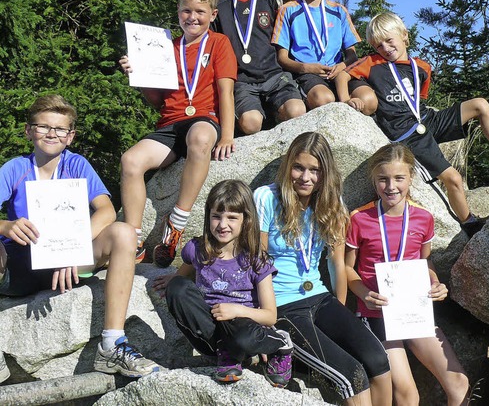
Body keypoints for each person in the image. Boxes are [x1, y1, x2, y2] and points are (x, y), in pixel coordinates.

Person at [0, 95, 160, 381]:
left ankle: (112, 344)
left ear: (70, 136)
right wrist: (6, 226)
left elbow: (106, 210)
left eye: (60, 129)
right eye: (43, 126)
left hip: (70, 263)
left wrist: (72, 250)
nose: (52, 134)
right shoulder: (15, 168)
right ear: (28, 131)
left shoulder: (77, 165)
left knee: (123, 232)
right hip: (21, 262)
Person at [335, 11, 489, 230]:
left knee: (480, 104)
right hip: (407, 133)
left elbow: (419, 99)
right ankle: (469, 224)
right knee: (453, 177)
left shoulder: (422, 68)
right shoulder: (372, 63)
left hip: (428, 119)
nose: (385, 48)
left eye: (389, 41)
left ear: (404, 35)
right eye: (379, 45)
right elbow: (343, 75)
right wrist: (346, 101)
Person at [254, 132, 392, 405]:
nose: (305, 177)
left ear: (324, 173)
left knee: (378, 360)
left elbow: (336, 264)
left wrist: (339, 314)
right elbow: (255, 263)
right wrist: (259, 323)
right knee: (352, 375)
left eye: (314, 170)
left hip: (320, 298)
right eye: (298, 167)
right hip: (282, 306)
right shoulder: (266, 198)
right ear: (288, 166)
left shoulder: (332, 204)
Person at [119, 0, 237, 268]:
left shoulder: (220, 44)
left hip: (203, 119)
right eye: (186, 11)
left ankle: (176, 223)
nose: (192, 17)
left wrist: (228, 135)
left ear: (213, 14)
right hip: (169, 126)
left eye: (200, 11)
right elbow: (158, 102)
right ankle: (133, 239)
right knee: (130, 161)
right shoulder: (162, 47)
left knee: (199, 139)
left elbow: (226, 91)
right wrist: (139, 77)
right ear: (178, 11)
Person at [346, 143, 469, 405]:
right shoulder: (359, 218)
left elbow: (426, 260)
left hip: (413, 311)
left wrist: (436, 282)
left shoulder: (423, 218)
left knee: (459, 383)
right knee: (407, 394)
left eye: (399, 178)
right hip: (376, 312)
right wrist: (364, 293)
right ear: (374, 180)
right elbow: (347, 268)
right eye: (383, 179)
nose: (391, 186)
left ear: (411, 177)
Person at [153, 179, 293, 386]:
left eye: (232, 217)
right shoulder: (197, 249)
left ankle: (280, 346)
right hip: (210, 330)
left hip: (242, 325)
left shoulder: (256, 261)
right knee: (177, 288)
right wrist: (173, 279)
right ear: (208, 216)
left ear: (246, 220)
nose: (222, 224)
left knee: (243, 337)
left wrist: (236, 310)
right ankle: (225, 353)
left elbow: (270, 315)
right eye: (216, 216)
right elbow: (185, 273)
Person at [214, 0, 306, 135]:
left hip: (274, 75)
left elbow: (285, 39)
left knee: (297, 111)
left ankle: (274, 116)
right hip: (241, 80)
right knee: (250, 123)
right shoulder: (218, 2)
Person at [271, 0, 377, 114]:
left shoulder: (338, 11)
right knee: (324, 99)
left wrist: (342, 65)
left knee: (368, 101)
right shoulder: (288, 10)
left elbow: (352, 55)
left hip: (340, 73)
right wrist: (305, 68)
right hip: (307, 74)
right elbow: (282, 58)